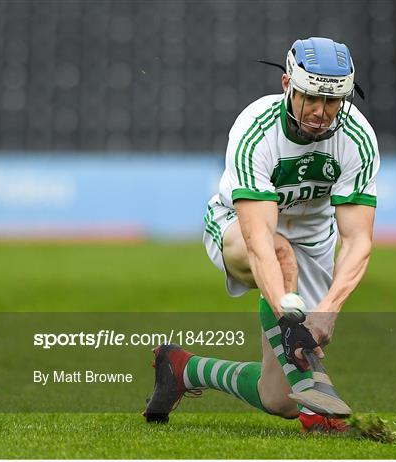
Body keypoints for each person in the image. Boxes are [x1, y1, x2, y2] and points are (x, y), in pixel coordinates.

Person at [144, 37, 380, 433]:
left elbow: (358, 240)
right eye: (310, 98)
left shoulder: (357, 139)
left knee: (279, 399)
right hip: (237, 229)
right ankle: (316, 401)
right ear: (287, 84)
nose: (322, 113)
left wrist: (329, 309)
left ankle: (182, 369)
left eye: (333, 102)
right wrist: (291, 320)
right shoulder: (256, 130)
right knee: (278, 252)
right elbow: (259, 240)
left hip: (314, 242)